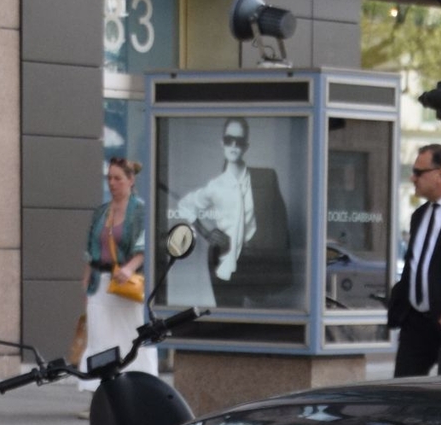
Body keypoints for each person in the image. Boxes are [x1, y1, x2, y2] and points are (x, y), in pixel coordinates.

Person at [174, 118, 294, 308]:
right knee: (229, 313)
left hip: (255, 260)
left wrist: (270, 255)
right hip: (224, 257)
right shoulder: (216, 186)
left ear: (246, 145)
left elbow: (279, 223)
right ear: (222, 142)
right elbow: (185, 205)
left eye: (239, 141)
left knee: (255, 317)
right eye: (229, 139)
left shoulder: (265, 179)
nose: (234, 145)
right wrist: (207, 233)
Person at [388, 143, 441, 376]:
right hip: (415, 321)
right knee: (403, 390)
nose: (413, 178)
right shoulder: (419, 215)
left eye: (419, 172)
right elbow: (414, 263)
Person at [83, 157, 150, 370]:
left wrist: (129, 268)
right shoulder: (101, 211)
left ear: (131, 180)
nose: (112, 183)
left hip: (126, 284)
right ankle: (99, 393)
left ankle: (137, 386)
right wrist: (85, 282)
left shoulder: (140, 210)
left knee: (130, 337)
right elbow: (90, 249)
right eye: (109, 178)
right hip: (99, 282)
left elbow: (145, 244)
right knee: (99, 340)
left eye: (117, 178)